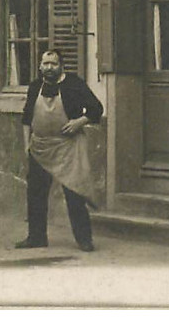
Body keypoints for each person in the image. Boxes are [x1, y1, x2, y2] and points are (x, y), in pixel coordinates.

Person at [16, 48, 103, 252]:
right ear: (40, 66)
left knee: (74, 193)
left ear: (61, 65)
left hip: (68, 147)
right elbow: (26, 118)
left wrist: (78, 122)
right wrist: (26, 146)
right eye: (45, 64)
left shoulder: (74, 84)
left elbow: (96, 109)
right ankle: (36, 237)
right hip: (40, 147)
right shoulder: (35, 86)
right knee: (36, 194)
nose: (49, 68)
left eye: (53, 64)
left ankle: (84, 240)